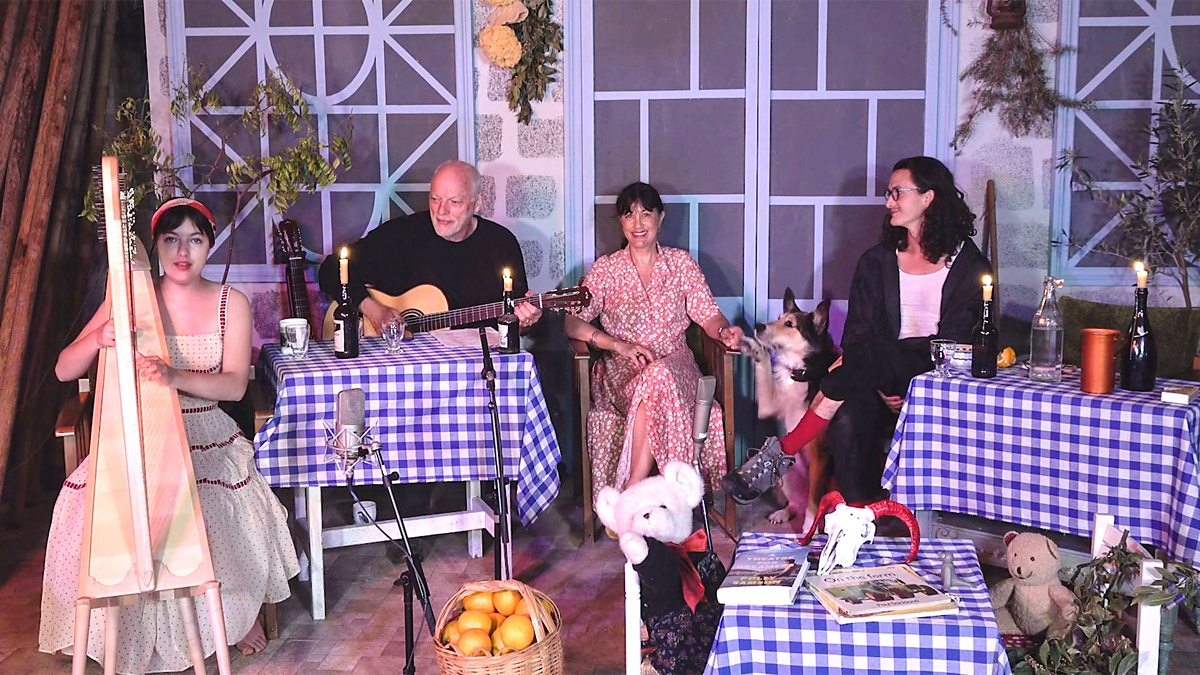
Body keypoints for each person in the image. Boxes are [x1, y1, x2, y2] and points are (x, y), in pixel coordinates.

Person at [40, 198, 300, 673]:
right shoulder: (130, 298)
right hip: (138, 432)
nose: (183, 252)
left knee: (207, 505)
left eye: (195, 240)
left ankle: (232, 618)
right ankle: (99, 626)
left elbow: (234, 385)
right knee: (89, 506)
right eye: (171, 240)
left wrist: (173, 375)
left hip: (205, 430)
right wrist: (98, 338)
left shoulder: (231, 303)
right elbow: (62, 369)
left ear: (209, 246)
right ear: (155, 246)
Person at [726, 156, 992, 505]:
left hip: (934, 376)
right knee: (850, 412)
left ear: (928, 197)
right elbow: (857, 336)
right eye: (888, 193)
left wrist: (896, 374)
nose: (888, 202)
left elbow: (955, 342)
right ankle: (859, 515)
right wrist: (882, 382)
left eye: (897, 193)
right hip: (873, 378)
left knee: (863, 359)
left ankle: (782, 453)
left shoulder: (970, 265)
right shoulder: (876, 262)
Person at [565, 182, 744, 500]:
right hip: (623, 369)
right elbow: (572, 322)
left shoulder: (681, 264)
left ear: (661, 218)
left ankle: (632, 489)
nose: (637, 224)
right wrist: (617, 345)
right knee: (653, 380)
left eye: (646, 214)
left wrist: (723, 333)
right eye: (629, 215)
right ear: (621, 221)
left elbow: (709, 316)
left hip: (676, 366)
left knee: (659, 374)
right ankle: (669, 495)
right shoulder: (606, 269)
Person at [317, 159, 543, 332]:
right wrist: (374, 310)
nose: (441, 211)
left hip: (474, 366)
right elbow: (331, 269)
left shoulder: (501, 244)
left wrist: (525, 321)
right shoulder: (402, 234)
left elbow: (514, 324)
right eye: (435, 199)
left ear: (477, 203)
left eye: (454, 202)